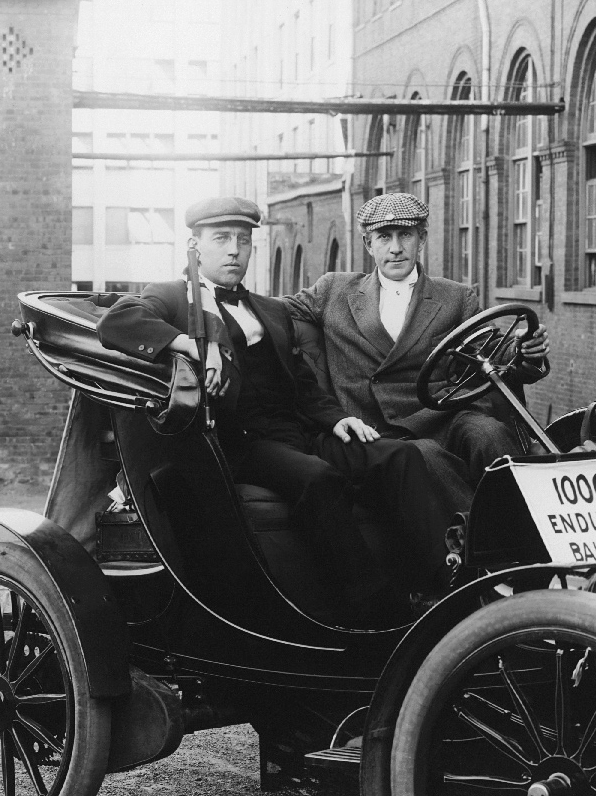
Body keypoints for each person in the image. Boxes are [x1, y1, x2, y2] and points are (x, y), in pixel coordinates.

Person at [96, 196, 457, 624]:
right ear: (196, 246)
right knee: (317, 479)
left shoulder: (269, 309)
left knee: (399, 456)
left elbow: (303, 386)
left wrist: (338, 419)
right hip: (235, 444)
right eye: (222, 239)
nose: (234, 250)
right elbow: (116, 323)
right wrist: (195, 343)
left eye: (243, 241)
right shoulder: (173, 297)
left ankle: (444, 584)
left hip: (296, 432)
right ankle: (374, 610)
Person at [285, 192, 550, 482]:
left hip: (445, 415)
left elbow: (495, 353)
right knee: (426, 457)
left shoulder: (456, 297)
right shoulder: (334, 291)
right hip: (377, 428)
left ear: (421, 240)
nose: (396, 248)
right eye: (384, 237)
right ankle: (466, 528)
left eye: (405, 235)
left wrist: (525, 349)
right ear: (368, 243)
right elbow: (273, 311)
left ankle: (524, 521)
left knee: (491, 434)